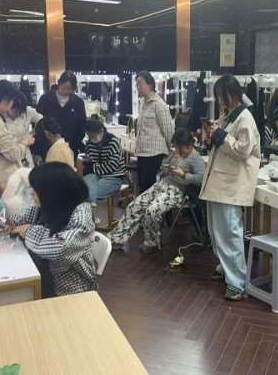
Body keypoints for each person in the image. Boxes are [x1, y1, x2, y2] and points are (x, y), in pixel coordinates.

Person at [199, 75, 261, 301]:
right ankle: (226, 268)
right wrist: (211, 135)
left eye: (221, 96)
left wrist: (220, 135)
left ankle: (236, 282)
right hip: (218, 183)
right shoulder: (227, 116)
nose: (219, 100)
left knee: (230, 233)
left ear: (233, 94)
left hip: (230, 185)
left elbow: (243, 150)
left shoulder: (245, 119)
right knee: (217, 232)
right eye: (218, 96)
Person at [109, 129, 205, 253]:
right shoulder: (176, 153)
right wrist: (165, 168)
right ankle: (116, 239)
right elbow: (165, 163)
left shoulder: (196, 159)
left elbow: (201, 180)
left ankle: (152, 242)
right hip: (162, 184)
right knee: (134, 206)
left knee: (152, 211)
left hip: (178, 191)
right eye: (175, 147)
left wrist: (183, 174)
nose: (177, 150)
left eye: (179, 147)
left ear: (188, 145)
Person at [9, 162, 97, 297]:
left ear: (52, 192)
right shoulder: (49, 205)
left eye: (35, 189)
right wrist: (10, 222)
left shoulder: (82, 214)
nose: (31, 193)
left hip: (70, 290)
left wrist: (28, 231)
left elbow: (62, 248)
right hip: (43, 278)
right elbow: (23, 218)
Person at [134, 71, 174, 193]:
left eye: (140, 83)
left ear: (150, 84)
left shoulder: (159, 105)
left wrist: (169, 152)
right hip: (142, 153)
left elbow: (168, 131)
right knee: (143, 188)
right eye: (137, 84)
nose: (137, 87)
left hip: (154, 154)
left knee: (150, 190)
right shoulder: (143, 104)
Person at [36, 71, 86, 154]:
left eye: (69, 89)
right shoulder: (45, 99)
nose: (66, 91)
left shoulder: (78, 102)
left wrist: (75, 142)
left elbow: (81, 125)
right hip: (47, 146)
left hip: (70, 146)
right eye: (64, 88)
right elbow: (39, 122)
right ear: (59, 84)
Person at [82, 117, 126, 205]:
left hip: (113, 177)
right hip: (95, 175)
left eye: (93, 135)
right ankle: (88, 210)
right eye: (89, 135)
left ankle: (89, 212)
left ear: (101, 131)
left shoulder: (113, 142)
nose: (91, 138)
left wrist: (93, 168)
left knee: (89, 194)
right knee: (81, 191)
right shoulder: (89, 143)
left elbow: (112, 166)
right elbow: (89, 162)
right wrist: (86, 161)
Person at [4, 91, 42, 167]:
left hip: (25, 153)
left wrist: (33, 132)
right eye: (15, 111)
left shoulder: (28, 111)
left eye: (20, 112)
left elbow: (42, 121)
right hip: (8, 155)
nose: (18, 114)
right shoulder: (0, 116)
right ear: (8, 106)